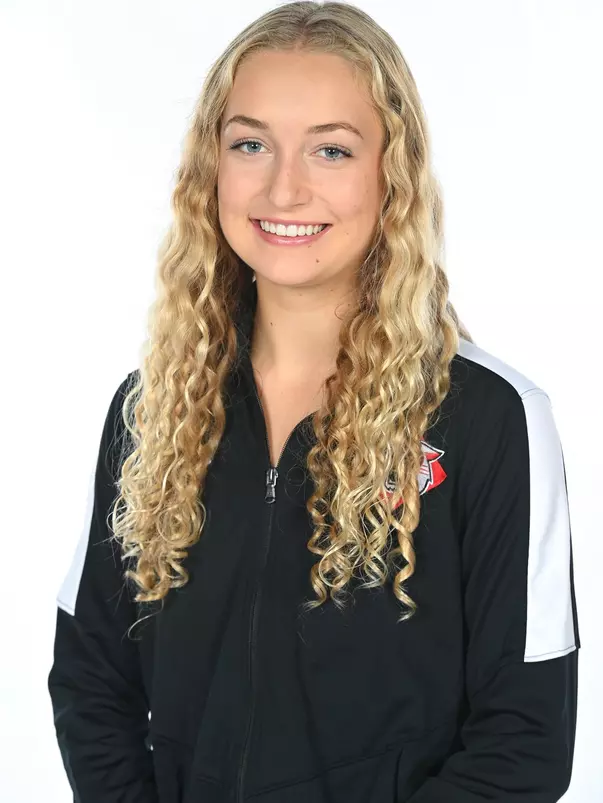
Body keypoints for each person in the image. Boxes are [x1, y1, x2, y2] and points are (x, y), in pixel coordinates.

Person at [47, 2, 580, 802]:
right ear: (210, 167)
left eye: (331, 149)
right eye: (250, 144)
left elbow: (523, 742)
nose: (283, 188)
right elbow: (92, 681)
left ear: (391, 173)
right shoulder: (152, 409)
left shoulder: (490, 417)